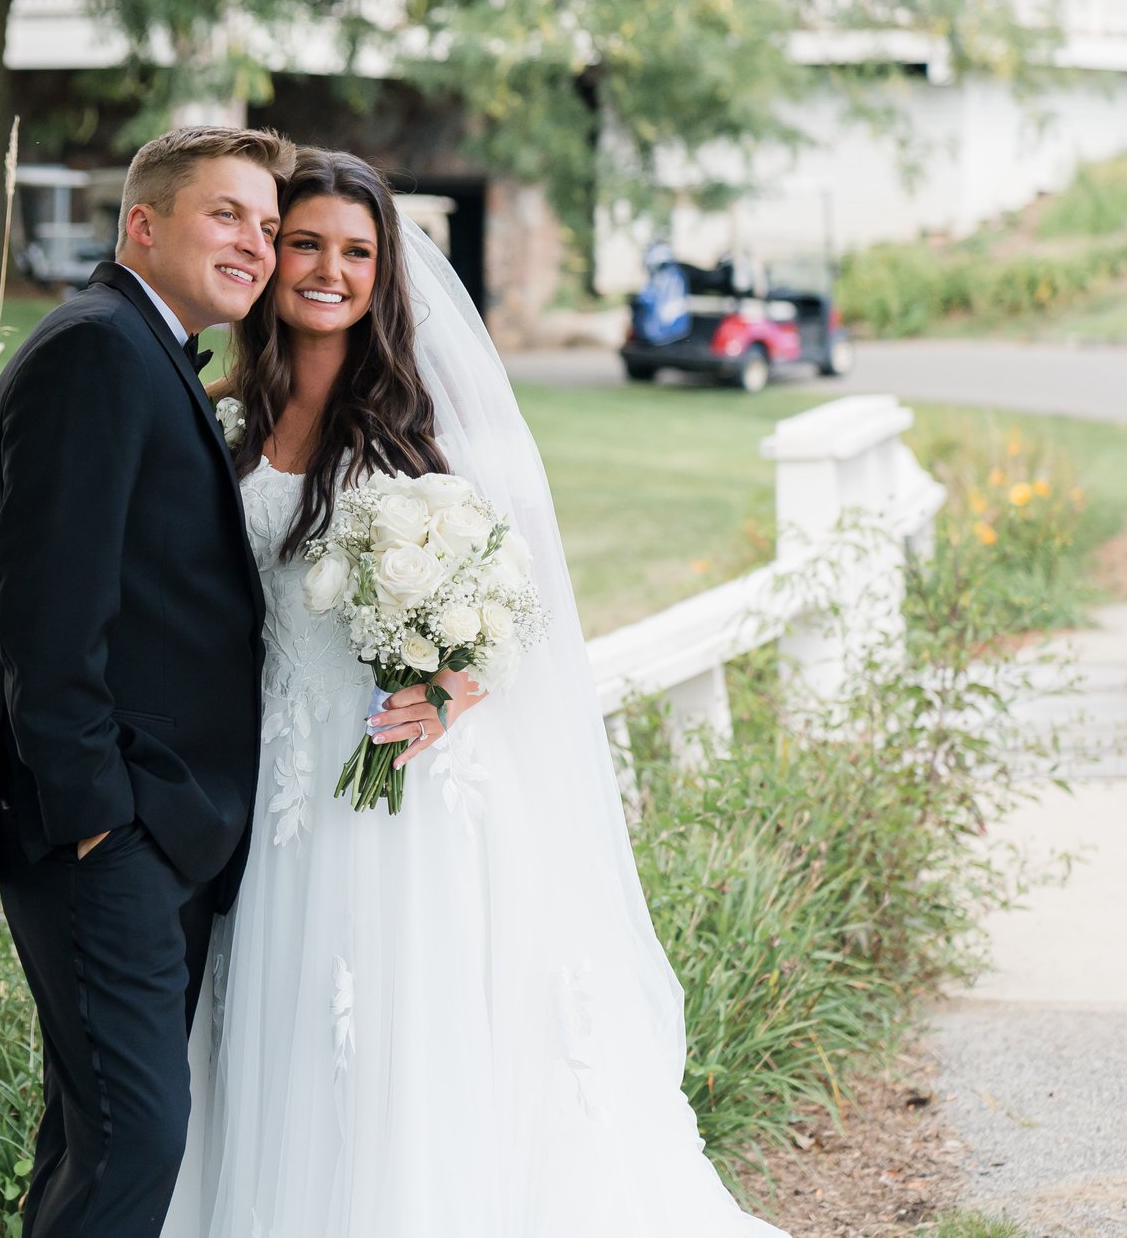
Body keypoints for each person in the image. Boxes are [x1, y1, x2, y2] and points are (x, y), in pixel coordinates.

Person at [163, 149, 785, 1238]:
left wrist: (451, 684)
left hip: (405, 783)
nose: (324, 268)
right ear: (269, 254)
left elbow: (518, 603)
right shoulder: (224, 415)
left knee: (405, 1029)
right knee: (287, 1032)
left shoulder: (423, 422)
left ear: (383, 272)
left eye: (355, 251)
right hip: (277, 782)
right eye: (301, 241)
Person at [0, 122, 297, 1238]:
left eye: (265, 224)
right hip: (108, 835)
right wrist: (101, 824)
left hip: (151, 830)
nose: (254, 243)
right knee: (137, 1134)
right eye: (226, 214)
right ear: (143, 223)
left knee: (93, 1135)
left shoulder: (143, 347)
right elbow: (45, 622)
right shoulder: (97, 350)